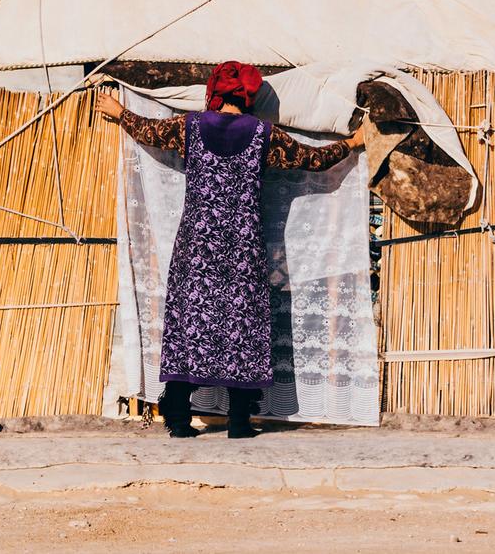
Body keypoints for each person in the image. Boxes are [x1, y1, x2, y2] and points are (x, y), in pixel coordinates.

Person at [96, 61, 364, 438]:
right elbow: (312, 160)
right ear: (250, 97)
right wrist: (351, 143)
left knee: (192, 326)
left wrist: (120, 111)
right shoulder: (264, 136)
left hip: (197, 247)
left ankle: (178, 419)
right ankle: (239, 422)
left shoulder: (188, 128)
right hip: (243, 247)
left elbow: (149, 132)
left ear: (214, 92)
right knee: (243, 327)